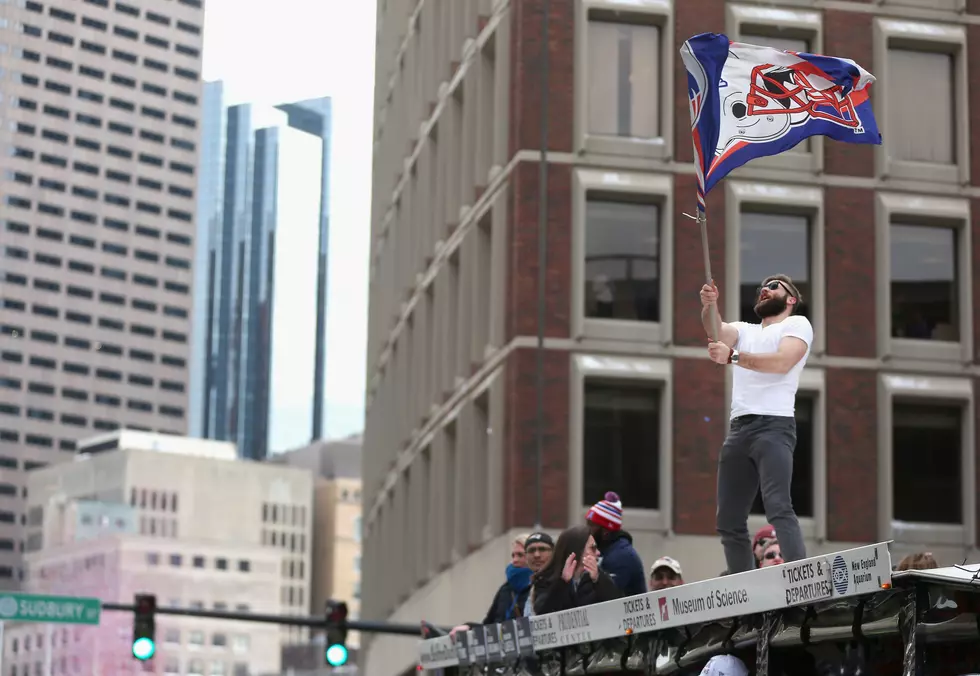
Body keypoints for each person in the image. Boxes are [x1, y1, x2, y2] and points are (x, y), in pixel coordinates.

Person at [700, 275, 812, 574]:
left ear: (790, 299)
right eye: (763, 286)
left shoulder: (797, 324)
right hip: (740, 429)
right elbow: (716, 329)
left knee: (778, 506)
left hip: (774, 427)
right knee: (728, 521)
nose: (766, 288)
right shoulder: (744, 330)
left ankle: (799, 577)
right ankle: (744, 587)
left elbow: (782, 362)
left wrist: (733, 356)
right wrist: (709, 305)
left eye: (775, 286)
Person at [531, 525, 621, 615]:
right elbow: (542, 613)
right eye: (592, 548)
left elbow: (617, 607)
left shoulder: (597, 578)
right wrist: (562, 583)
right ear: (576, 551)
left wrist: (599, 579)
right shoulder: (545, 579)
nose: (598, 553)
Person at [585, 492, 647, 596]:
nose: (587, 530)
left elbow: (608, 596)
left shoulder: (622, 556)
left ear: (606, 531)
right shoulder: (605, 549)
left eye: (591, 526)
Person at [522, 532, 555, 617]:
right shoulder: (530, 587)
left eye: (542, 549)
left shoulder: (561, 581)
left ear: (553, 553)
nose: (536, 555)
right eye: (531, 550)